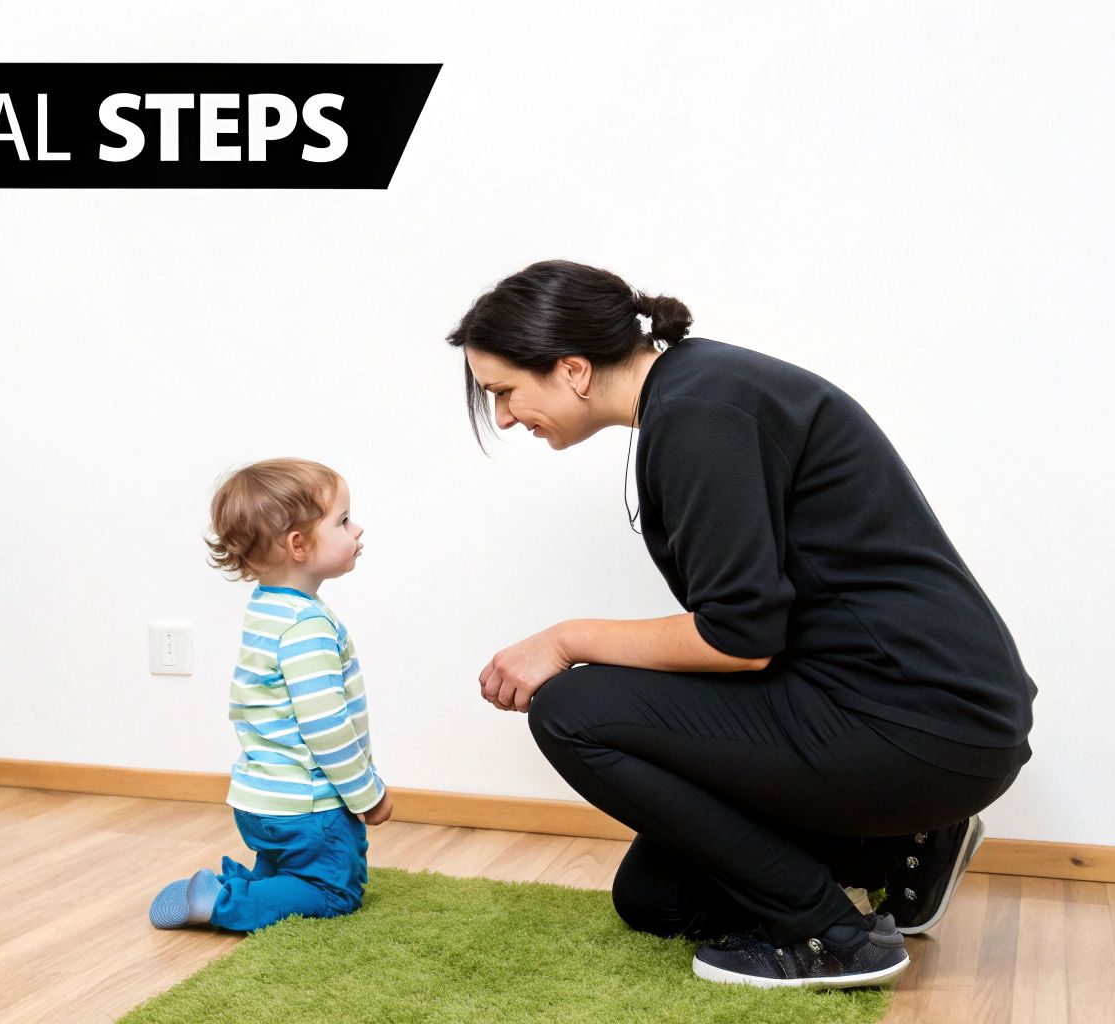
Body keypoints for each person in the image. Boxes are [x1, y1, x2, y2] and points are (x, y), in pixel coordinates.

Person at [444, 259, 1035, 990]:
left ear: (572, 369)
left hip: (917, 724)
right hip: (923, 714)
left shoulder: (701, 413)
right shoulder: (697, 388)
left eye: (504, 392)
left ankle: (835, 939)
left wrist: (563, 640)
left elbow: (739, 638)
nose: (502, 416)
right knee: (656, 898)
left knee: (570, 711)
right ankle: (901, 852)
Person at [148, 458, 393, 932]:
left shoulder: (267, 610)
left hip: (258, 801)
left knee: (300, 869)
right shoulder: (307, 628)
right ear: (298, 545)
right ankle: (222, 901)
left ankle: (245, 880)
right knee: (336, 890)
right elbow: (325, 727)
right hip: (309, 808)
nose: (357, 529)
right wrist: (367, 794)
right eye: (343, 521)